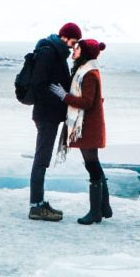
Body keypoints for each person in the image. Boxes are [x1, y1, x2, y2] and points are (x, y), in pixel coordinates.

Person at [49, 38, 111, 225]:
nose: (74, 50)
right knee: (93, 164)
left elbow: (87, 102)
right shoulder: (85, 71)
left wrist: (64, 96)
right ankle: (103, 207)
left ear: (84, 53)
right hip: (89, 125)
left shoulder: (89, 74)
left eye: (78, 48)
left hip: (88, 127)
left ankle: (96, 211)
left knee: (92, 165)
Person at [26, 21, 81, 221]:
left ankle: (39, 203)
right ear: (65, 36)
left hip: (49, 114)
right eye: (73, 41)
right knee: (41, 159)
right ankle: (36, 206)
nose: (73, 46)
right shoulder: (49, 52)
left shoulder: (56, 53)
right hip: (46, 115)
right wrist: (60, 97)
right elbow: (39, 85)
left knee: (43, 159)